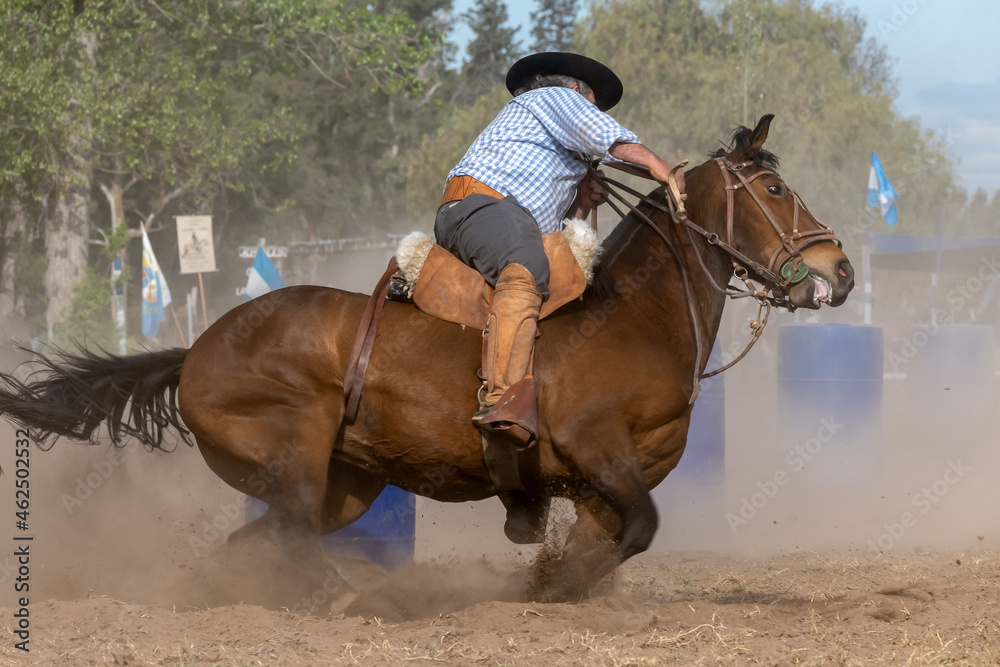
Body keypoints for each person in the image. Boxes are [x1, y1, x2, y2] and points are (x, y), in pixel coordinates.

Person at [435, 52, 685, 542]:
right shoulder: (552, 98)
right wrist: (660, 168)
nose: (593, 109)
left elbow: (565, 224)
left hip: (510, 217)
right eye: (592, 102)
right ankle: (504, 400)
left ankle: (523, 484)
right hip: (482, 203)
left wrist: (581, 199)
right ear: (578, 92)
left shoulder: (554, 151)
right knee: (525, 270)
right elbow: (612, 140)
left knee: (564, 306)